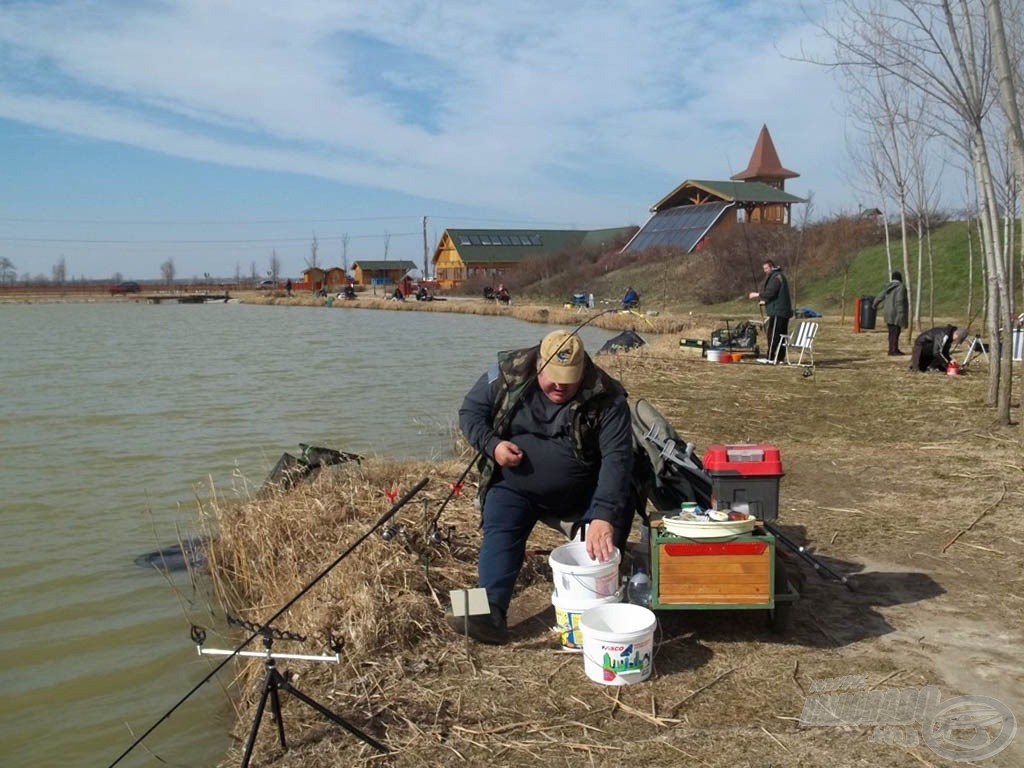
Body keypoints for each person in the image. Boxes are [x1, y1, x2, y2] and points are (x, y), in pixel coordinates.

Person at [452, 330, 635, 644]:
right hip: (513, 488)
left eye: (570, 379)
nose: (561, 386)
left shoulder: (608, 396)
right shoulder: (507, 373)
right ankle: (486, 613)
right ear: (539, 365)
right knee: (499, 533)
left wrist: (603, 516)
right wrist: (492, 446)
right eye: (553, 378)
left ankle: (604, 608)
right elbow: (470, 412)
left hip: (583, 497)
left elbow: (618, 459)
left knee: (603, 550)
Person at [749, 259, 793, 362]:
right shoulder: (779, 276)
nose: (765, 271)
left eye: (766, 268)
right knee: (782, 335)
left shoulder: (776, 277)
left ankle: (771, 357)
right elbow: (776, 295)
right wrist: (765, 302)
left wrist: (757, 294)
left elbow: (771, 292)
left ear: (771, 267)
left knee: (773, 334)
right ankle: (780, 358)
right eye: (764, 269)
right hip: (783, 311)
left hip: (778, 311)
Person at [873, 271, 909, 355]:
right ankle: (894, 350)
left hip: (887, 312)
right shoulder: (901, 287)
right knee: (896, 331)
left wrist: (875, 303)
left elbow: (880, 296)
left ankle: (891, 349)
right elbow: (899, 300)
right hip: (896, 312)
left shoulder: (888, 286)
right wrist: (902, 312)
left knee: (891, 332)